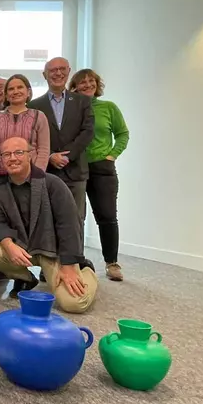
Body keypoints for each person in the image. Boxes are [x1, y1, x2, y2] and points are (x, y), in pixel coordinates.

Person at [0, 137, 98, 313]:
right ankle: (26, 279)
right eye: (6, 154)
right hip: (23, 248)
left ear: (30, 155)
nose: (12, 158)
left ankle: (86, 272)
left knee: (75, 303)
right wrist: (8, 245)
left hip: (53, 252)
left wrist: (68, 266)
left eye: (18, 152)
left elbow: (69, 225)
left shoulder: (53, 184)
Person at [70, 68, 130, 282]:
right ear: (74, 87)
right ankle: (75, 261)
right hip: (76, 167)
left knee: (107, 216)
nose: (87, 85)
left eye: (91, 81)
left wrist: (112, 155)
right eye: (82, 82)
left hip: (102, 168)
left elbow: (122, 134)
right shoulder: (72, 110)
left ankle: (111, 262)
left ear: (97, 84)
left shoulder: (108, 108)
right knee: (76, 217)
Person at [28, 57, 94, 230]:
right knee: (48, 221)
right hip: (47, 171)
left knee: (76, 220)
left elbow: (87, 132)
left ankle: (76, 249)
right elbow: (32, 138)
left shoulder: (82, 102)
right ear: (45, 75)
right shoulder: (34, 106)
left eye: (62, 69)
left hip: (75, 171)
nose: (58, 73)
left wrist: (67, 156)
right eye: (53, 70)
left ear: (68, 71)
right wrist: (50, 156)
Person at [0, 74, 51, 184]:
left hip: (30, 177)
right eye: (11, 89)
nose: (15, 91)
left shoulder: (39, 117)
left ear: (28, 92)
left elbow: (43, 150)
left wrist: (37, 176)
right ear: (6, 95)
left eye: (20, 87)